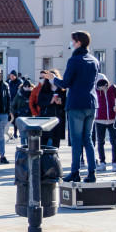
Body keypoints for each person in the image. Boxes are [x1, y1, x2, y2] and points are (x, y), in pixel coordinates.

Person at [45, 31, 101, 183]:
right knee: (88, 139)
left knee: (76, 140)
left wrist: (53, 78)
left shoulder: (74, 60)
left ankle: (75, 171)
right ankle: (92, 171)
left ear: (78, 43)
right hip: (91, 103)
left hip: (77, 103)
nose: (71, 43)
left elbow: (65, 83)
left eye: (72, 41)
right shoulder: (94, 60)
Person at [94, 74, 116, 172]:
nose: (102, 87)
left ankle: (114, 163)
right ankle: (102, 162)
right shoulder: (95, 89)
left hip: (112, 119)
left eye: (103, 84)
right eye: (99, 85)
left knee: (114, 142)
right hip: (99, 119)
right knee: (100, 142)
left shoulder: (113, 88)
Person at [37, 70, 67, 149]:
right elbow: (39, 102)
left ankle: (54, 159)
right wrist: (50, 102)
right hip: (46, 118)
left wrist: (59, 102)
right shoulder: (44, 89)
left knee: (56, 142)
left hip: (58, 118)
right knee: (43, 141)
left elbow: (65, 102)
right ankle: (43, 159)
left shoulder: (62, 89)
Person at [12, 79, 34, 145]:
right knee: (23, 136)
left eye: (29, 86)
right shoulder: (18, 95)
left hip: (31, 118)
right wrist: (15, 114)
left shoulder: (34, 95)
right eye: (25, 86)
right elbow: (13, 106)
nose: (27, 87)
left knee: (29, 136)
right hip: (21, 118)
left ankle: (29, 150)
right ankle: (23, 152)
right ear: (23, 86)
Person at [7, 70, 22, 139]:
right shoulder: (10, 82)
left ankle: (16, 132)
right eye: (11, 76)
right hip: (11, 101)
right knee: (10, 118)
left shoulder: (19, 82)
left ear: (16, 76)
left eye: (13, 76)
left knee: (16, 117)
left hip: (18, 101)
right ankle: (15, 131)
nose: (11, 77)